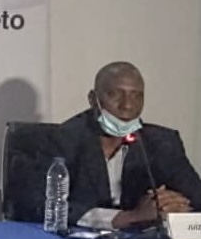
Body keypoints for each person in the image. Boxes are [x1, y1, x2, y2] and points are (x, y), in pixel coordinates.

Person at [59, 61, 201, 229]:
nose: (127, 105)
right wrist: (128, 217)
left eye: (136, 96)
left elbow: (195, 198)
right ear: (93, 99)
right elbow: (39, 204)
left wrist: (171, 204)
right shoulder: (63, 139)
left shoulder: (162, 142)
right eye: (115, 94)